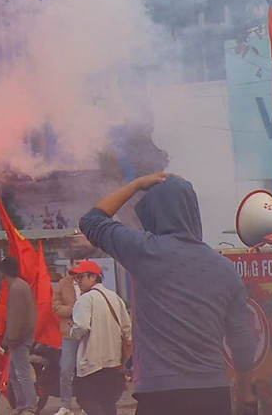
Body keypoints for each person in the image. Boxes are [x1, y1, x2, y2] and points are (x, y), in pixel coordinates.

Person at [80, 174, 255, 415]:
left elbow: (92, 220)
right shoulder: (224, 268)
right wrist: (244, 392)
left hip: (160, 395)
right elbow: (243, 339)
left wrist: (136, 185)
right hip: (213, 393)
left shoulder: (145, 250)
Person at [67, 260, 129, 415]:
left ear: (93, 277)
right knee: (108, 403)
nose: (78, 282)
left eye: (80, 278)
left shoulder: (85, 299)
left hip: (92, 363)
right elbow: (127, 330)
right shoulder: (115, 297)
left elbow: (81, 327)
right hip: (114, 362)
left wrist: (72, 333)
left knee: (87, 400)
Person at [0, 255, 37, 414]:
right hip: (22, 336)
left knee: (22, 373)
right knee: (15, 373)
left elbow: (16, 317)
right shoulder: (20, 285)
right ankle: (21, 405)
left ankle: (30, 407)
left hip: (19, 338)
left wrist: (9, 339)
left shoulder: (16, 287)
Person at [50, 266, 80, 415]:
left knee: (86, 370)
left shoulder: (91, 282)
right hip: (69, 332)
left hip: (88, 333)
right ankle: (66, 405)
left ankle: (85, 404)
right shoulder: (63, 283)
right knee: (66, 369)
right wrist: (72, 310)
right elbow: (55, 306)